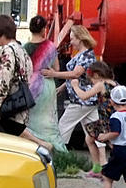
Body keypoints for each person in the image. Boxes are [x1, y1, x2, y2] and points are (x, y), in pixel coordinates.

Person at [42, 24, 104, 176]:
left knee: (62, 129)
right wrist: (62, 88)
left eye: (72, 39)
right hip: (87, 101)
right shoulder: (81, 54)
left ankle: (57, 163)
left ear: (80, 38)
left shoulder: (86, 56)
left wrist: (53, 74)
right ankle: (100, 167)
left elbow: (76, 74)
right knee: (94, 135)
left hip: (81, 101)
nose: (71, 42)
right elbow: (76, 77)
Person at [0, 14, 52, 152]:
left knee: (12, 138)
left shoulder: (7, 51)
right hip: (19, 102)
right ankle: (42, 147)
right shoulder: (21, 49)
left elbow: (4, 81)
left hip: (8, 103)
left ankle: (43, 147)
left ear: (1, 33)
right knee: (16, 136)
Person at [22, 15, 67, 152]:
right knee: (48, 117)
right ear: (43, 29)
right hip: (46, 84)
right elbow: (57, 69)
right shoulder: (50, 46)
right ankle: (53, 146)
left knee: (30, 118)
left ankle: (34, 145)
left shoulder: (25, 47)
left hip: (30, 86)